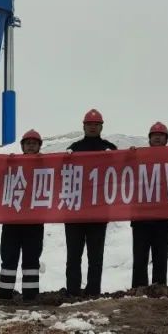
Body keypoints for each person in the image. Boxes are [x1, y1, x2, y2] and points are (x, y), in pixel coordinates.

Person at [65, 108, 117, 297]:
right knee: (73, 255)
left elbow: (123, 172)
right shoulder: (74, 148)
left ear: (101, 127)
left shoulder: (110, 149)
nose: (92, 127)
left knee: (95, 256)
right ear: (84, 126)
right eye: (89, 124)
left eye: (96, 124)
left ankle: (93, 291)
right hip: (75, 212)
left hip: (98, 212)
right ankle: (72, 291)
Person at [0, 129, 45, 300]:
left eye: (34, 143)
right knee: (8, 257)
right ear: (22, 146)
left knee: (32, 259)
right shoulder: (13, 164)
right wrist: (7, 163)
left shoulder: (46, 165)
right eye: (28, 143)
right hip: (12, 220)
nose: (31, 146)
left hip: (34, 221)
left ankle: (30, 295)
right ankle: (4, 293)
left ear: (39, 146)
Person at [131, 122, 168, 288]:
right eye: (154, 135)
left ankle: (159, 288)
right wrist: (129, 155)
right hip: (141, 217)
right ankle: (138, 289)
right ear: (149, 138)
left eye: (161, 135)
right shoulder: (139, 157)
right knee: (139, 257)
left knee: (160, 256)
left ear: (166, 139)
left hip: (163, 218)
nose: (157, 138)